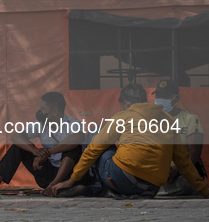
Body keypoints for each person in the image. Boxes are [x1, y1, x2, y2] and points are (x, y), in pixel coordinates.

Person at [51, 84, 209, 199]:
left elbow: (93, 150)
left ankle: (100, 186)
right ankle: (103, 189)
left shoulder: (122, 117)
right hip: (152, 187)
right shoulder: (167, 119)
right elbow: (184, 162)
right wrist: (204, 191)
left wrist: (71, 180)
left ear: (125, 104)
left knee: (97, 136)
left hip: (125, 178)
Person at [0, 92, 87, 196]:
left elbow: (77, 138)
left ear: (55, 111)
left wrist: (47, 153)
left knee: (73, 148)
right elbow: (16, 136)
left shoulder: (73, 123)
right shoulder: (41, 124)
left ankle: (55, 185)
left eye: (43, 109)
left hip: (70, 174)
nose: (40, 112)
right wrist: (35, 151)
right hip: (48, 173)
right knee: (19, 147)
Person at [152, 79, 206, 196]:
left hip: (181, 171)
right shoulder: (150, 120)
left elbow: (194, 155)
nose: (160, 100)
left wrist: (175, 170)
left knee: (186, 183)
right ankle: (157, 191)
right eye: (158, 96)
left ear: (175, 99)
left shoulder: (190, 119)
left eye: (165, 96)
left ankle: (151, 192)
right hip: (156, 170)